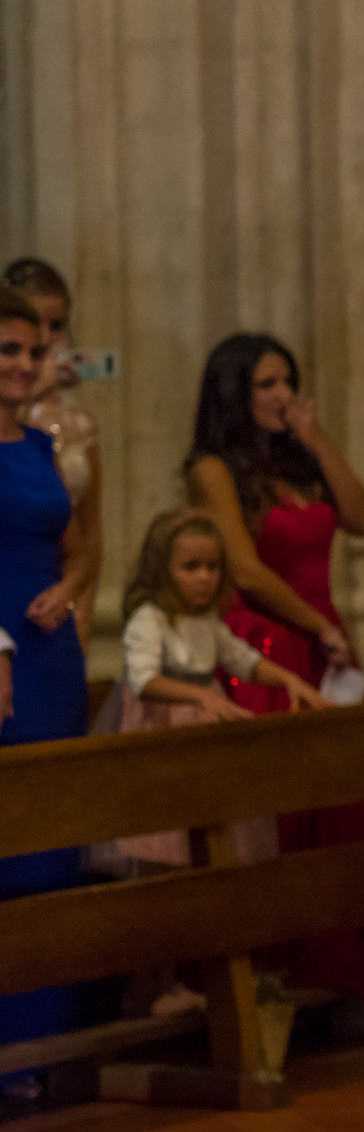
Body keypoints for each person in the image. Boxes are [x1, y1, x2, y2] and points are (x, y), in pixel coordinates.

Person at [183, 332, 364, 1013]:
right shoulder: (213, 468)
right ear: (235, 394)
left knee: (351, 806)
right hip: (271, 646)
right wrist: (316, 624)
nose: (282, 397)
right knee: (289, 813)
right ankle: (279, 976)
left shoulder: (300, 463)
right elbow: (244, 569)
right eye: (267, 386)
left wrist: (319, 437)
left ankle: (362, 975)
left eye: (288, 383)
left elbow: (362, 518)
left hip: (325, 639)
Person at [113, 507, 327, 867]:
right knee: (172, 830)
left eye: (212, 567)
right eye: (190, 567)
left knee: (218, 823)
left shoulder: (207, 622)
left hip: (206, 727)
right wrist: (200, 694)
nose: (204, 578)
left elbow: (245, 661)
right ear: (161, 570)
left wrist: (290, 679)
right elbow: (144, 678)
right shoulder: (150, 619)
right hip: (164, 732)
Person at [0, 285, 98, 1064]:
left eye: (32, 351)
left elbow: (83, 546)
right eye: (8, 349)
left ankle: (44, 1046)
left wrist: (69, 591)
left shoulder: (40, 447)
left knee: (50, 845)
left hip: (49, 662)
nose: (25, 364)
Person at [7, 257, 102, 652]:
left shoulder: (77, 425)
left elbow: (90, 532)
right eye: (34, 324)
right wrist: (32, 394)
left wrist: (80, 612)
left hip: (58, 604)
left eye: (56, 326)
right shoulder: (15, 419)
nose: (45, 340)